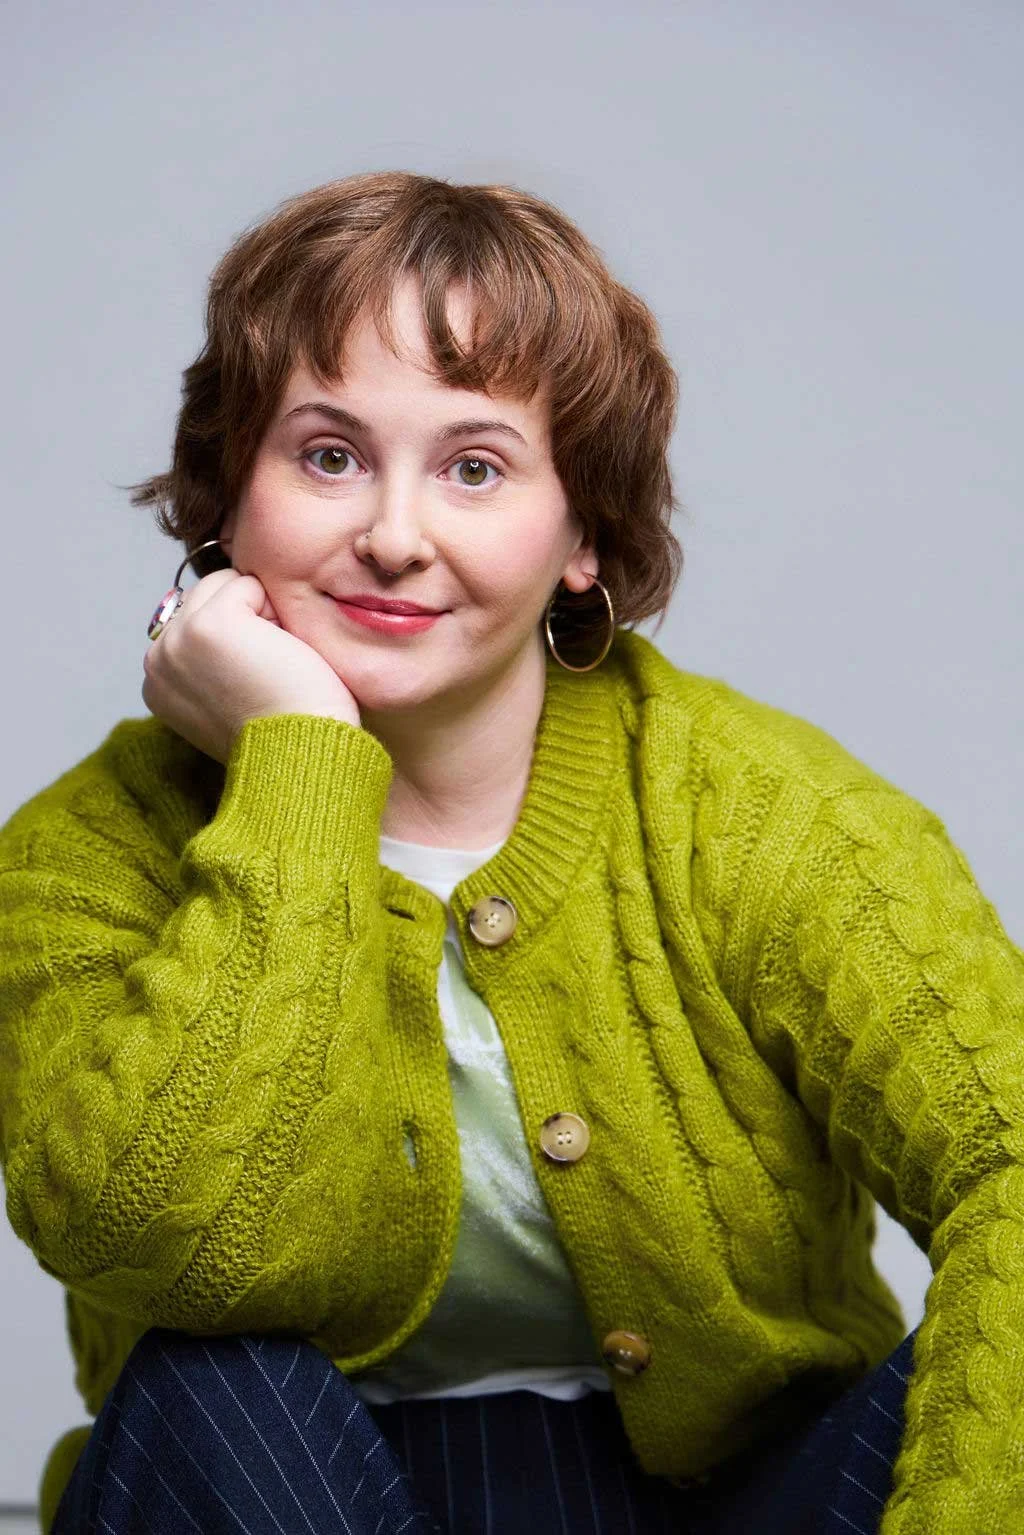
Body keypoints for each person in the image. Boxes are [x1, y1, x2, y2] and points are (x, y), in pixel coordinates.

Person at [0, 171, 1020, 1535]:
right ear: (226, 496)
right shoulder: (80, 856)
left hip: (732, 1500)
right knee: (207, 1364)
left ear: (584, 533)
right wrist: (297, 758)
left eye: (474, 467)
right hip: (286, 1496)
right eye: (327, 454)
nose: (394, 536)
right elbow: (166, 1237)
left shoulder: (759, 813)